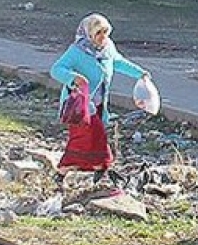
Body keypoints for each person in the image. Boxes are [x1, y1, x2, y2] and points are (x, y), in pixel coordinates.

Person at [50, 13, 150, 190]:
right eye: (99, 33)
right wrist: (73, 78)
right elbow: (56, 69)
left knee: (95, 137)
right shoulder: (77, 51)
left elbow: (119, 62)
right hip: (79, 107)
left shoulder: (108, 49)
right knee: (86, 138)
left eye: (105, 32)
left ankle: (98, 169)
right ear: (89, 34)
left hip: (97, 105)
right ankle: (74, 170)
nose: (103, 36)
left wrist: (140, 73)